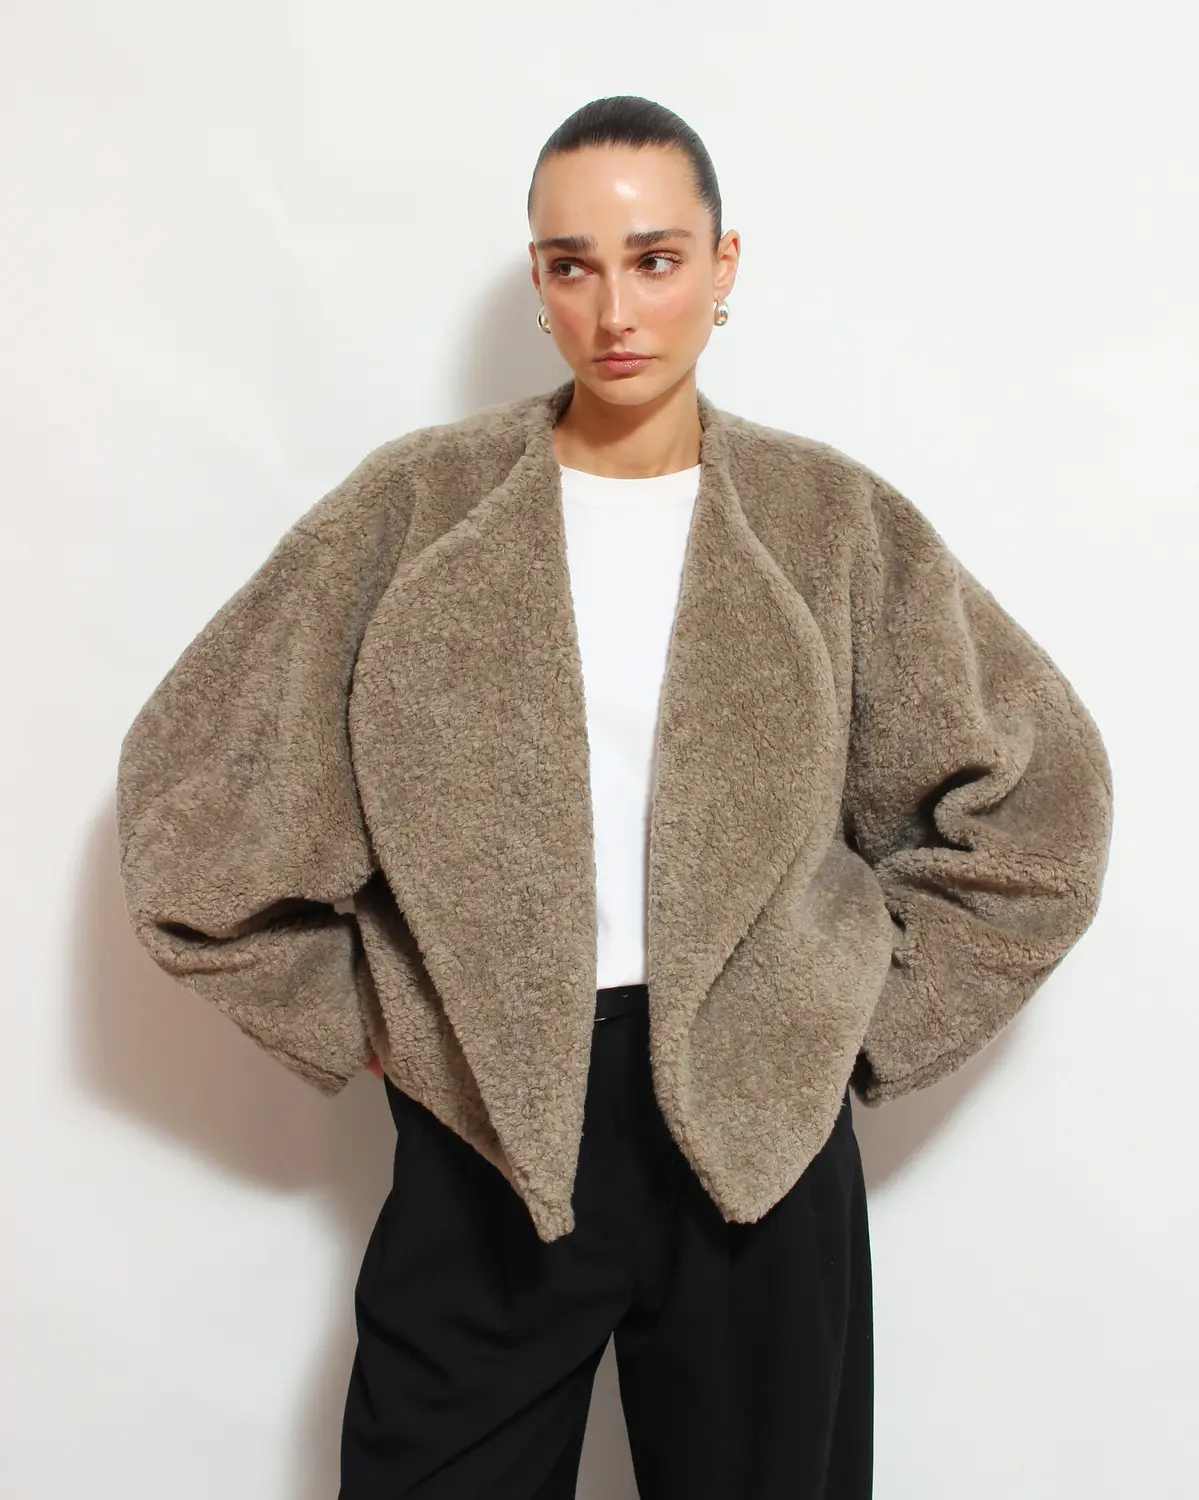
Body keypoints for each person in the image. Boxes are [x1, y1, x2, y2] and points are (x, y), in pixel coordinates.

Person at [115, 96, 1114, 1498]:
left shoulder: (829, 522)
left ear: (722, 265)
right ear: (536, 278)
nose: (615, 309)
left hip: (758, 1139)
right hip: (488, 1125)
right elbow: (190, 807)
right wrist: (374, 1018)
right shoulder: (415, 509)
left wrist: (844, 1022)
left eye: (655, 259)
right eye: (572, 264)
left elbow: (1041, 807)